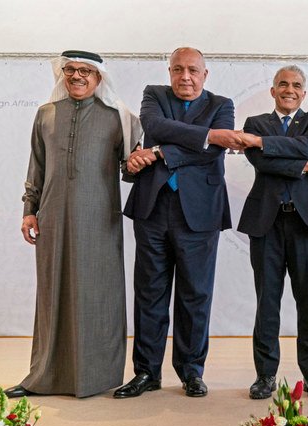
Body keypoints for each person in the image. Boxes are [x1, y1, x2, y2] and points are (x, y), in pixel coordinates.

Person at [6, 50, 141, 398]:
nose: (77, 76)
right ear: (62, 73)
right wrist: (28, 210)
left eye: (85, 71)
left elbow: (129, 173)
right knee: (52, 294)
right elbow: (36, 166)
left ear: (99, 78)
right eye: (70, 70)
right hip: (51, 218)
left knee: (97, 295)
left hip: (99, 220)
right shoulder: (46, 115)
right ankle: (43, 376)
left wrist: (138, 162)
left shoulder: (118, 118)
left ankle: (96, 377)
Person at [114, 47, 241, 399]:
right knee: (150, 293)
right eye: (178, 69)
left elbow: (215, 149)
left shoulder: (222, 104)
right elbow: (154, 126)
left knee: (195, 295)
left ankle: (191, 371)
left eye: (193, 70)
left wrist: (158, 152)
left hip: (200, 213)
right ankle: (146, 373)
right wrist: (204, 135)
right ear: (169, 71)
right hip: (153, 208)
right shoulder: (154, 95)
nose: (185, 77)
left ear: (205, 74)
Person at [235, 66, 308, 400]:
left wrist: (269, 145)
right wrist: (306, 166)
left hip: (307, 222)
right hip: (266, 222)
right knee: (268, 301)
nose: (289, 89)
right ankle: (265, 375)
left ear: (304, 93)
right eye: (283, 84)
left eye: (296, 85)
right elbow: (263, 163)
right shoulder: (254, 123)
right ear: (273, 91)